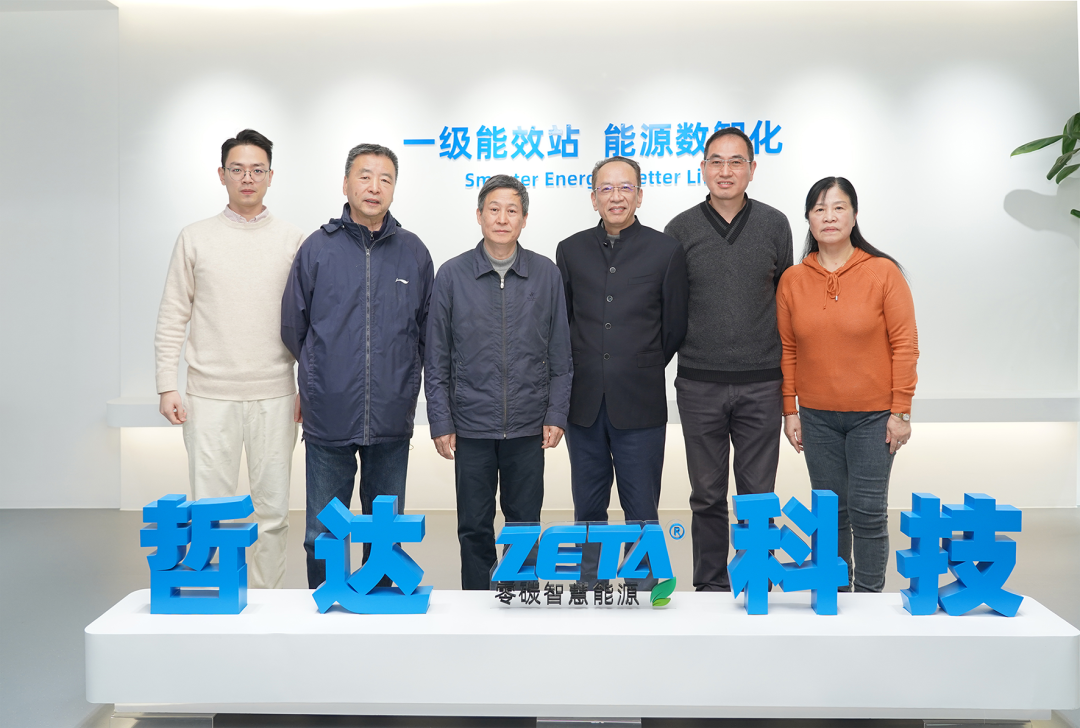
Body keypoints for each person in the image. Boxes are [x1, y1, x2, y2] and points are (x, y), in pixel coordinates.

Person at [155, 129, 305, 589]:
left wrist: (306, 387)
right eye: (237, 169)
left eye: (257, 170)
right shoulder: (195, 237)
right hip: (209, 395)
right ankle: (214, 597)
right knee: (209, 510)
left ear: (271, 176)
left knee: (272, 512)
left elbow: (310, 323)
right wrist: (166, 384)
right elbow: (173, 313)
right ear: (221, 175)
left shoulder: (293, 240)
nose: (247, 178)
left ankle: (266, 598)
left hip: (275, 393)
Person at [281, 143, 434, 589]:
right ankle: (325, 607)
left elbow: (427, 331)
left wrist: (405, 383)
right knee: (323, 533)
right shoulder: (317, 248)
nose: (374, 187)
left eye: (385, 179)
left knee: (385, 533)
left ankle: (379, 606)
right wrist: (319, 378)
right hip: (329, 413)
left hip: (391, 414)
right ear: (346, 184)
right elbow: (293, 325)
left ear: (394, 189)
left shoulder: (413, 252)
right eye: (365, 176)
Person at [425, 174, 573, 590]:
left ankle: (520, 600)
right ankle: (477, 604)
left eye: (512, 210)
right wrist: (441, 421)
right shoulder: (452, 275)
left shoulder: (546, 274)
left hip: (528, 427)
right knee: (473, 527)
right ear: (479, 215)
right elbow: (436, 358)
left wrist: (556, 413)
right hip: (470, 426)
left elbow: (561, 356)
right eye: (494, 209)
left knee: (524, 526)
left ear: (524, 219)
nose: (502, 219)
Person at [664, 127, 794, 592]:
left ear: (752, 169)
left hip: (762, 382)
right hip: (699, 383)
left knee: (758, 497)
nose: (725, 170)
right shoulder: (680, 229)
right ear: (702, 168)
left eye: (736, 161)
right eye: (716, 161)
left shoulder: (775, 224)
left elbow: (786, 301)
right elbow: (670, 306)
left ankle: (755, 582)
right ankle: (711, 586)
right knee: (706, 496)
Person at [777, 176, 918, 593]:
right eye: (819, 209)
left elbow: (905, 345)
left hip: (874, 417)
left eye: (838, 207)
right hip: (816, 417)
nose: (829, 217)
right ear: (808, 218)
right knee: (830, 514)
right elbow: (788, 349)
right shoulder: (793, 279)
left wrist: (901, 411)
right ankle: (835, 593)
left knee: (868, 512)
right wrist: (790, 410)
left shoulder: (883, 272)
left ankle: (869, 599)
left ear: (854, 216)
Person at [555, 156, 687, 584]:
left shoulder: (665, 250)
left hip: (640, 401)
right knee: (588, 507)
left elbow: (674, 326)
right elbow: (564, 323)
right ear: (593, 197)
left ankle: (644, 588)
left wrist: (639, 364)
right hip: (584, 404)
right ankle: (590, 585)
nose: (616, 196)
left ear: (640, 195)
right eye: (606, 188)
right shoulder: (570, 250)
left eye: (625, 187)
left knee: (642, 509)